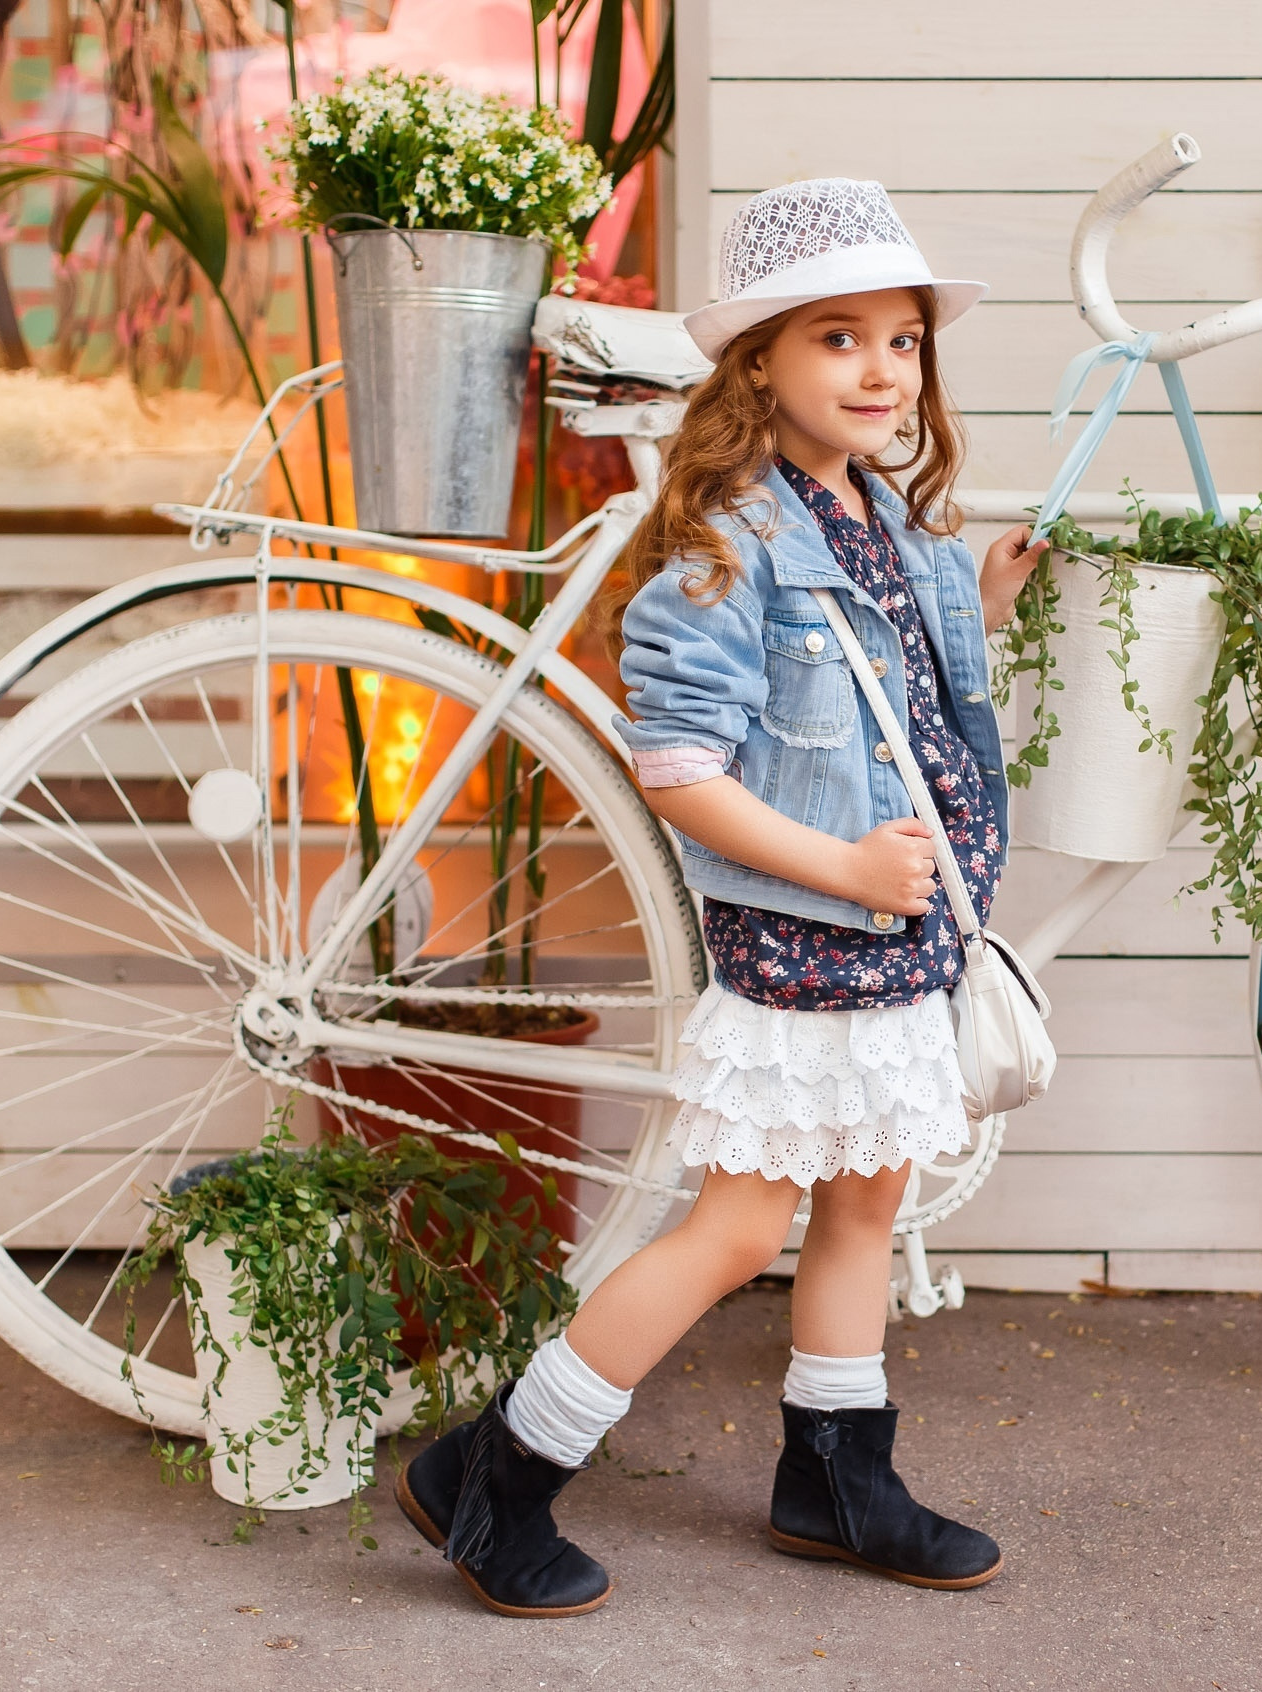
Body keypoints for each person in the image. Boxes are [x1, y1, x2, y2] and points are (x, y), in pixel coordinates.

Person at [393, 178, 1050, 1619]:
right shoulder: (733, 539)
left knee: (869, 1202)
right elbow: (682, 771)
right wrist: (842, 871)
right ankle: (493, 1470)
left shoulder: (879, 510)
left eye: (903, 340)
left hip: (896, 940)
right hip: (814, 936)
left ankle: (836, 1474)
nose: (883, 370)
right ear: (757, 362)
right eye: (838, 339)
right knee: (742, 1225)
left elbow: (887, 705)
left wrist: (980, 605)